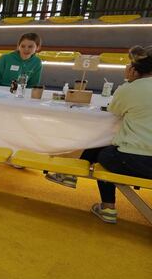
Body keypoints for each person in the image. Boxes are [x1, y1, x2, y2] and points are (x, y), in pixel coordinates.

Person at [46, 46, 152, 224]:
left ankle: (106, 205)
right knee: (109, 147)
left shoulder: (133, 88)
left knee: (104, 151)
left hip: (136, 160)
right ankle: (72, 177)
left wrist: (130, 82)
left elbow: (114, 109)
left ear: (134, 68)